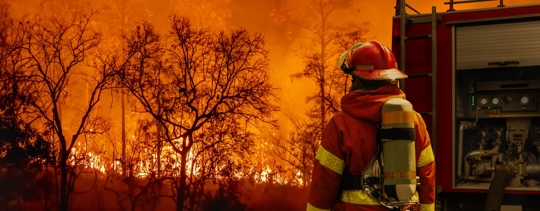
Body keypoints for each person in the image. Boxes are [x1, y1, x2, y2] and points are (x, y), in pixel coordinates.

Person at [306, 40, 436, 211]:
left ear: (357, 79)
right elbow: (427, 176)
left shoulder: (340, 124)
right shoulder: (415, 120)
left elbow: (324, 183)